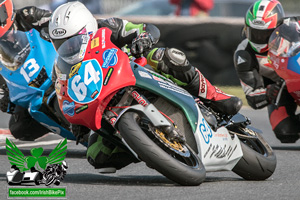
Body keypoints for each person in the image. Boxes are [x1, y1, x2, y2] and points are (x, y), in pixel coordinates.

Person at [49, 1, 242, 172]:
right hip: (107, 101)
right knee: (97, 156)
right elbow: (64, 95)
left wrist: (144, 37)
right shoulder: (60, 67)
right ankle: (150, 148)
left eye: (72, 41)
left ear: (87, 29)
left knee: (165, 56)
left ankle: (216, 97)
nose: (68, 48)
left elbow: (146, 28)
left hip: (137, 70)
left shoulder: (109, 27)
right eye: (61, 43)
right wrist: (77, 124)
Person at [233, 0, 300, 143]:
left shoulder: (295, 27)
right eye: (254, 33)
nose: (260, 39)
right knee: (286, 132)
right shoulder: (244, 54)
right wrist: (268, 93)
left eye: (266, 33)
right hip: (278, 87)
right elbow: (252, 98)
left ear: (279, 27)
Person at [0, 0, 53, 141]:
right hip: (31, 87)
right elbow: (4, 84)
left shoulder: (29, 15)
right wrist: (6, 98)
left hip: (56, 65)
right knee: (19, 127)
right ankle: (57, 125)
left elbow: (62, 27)